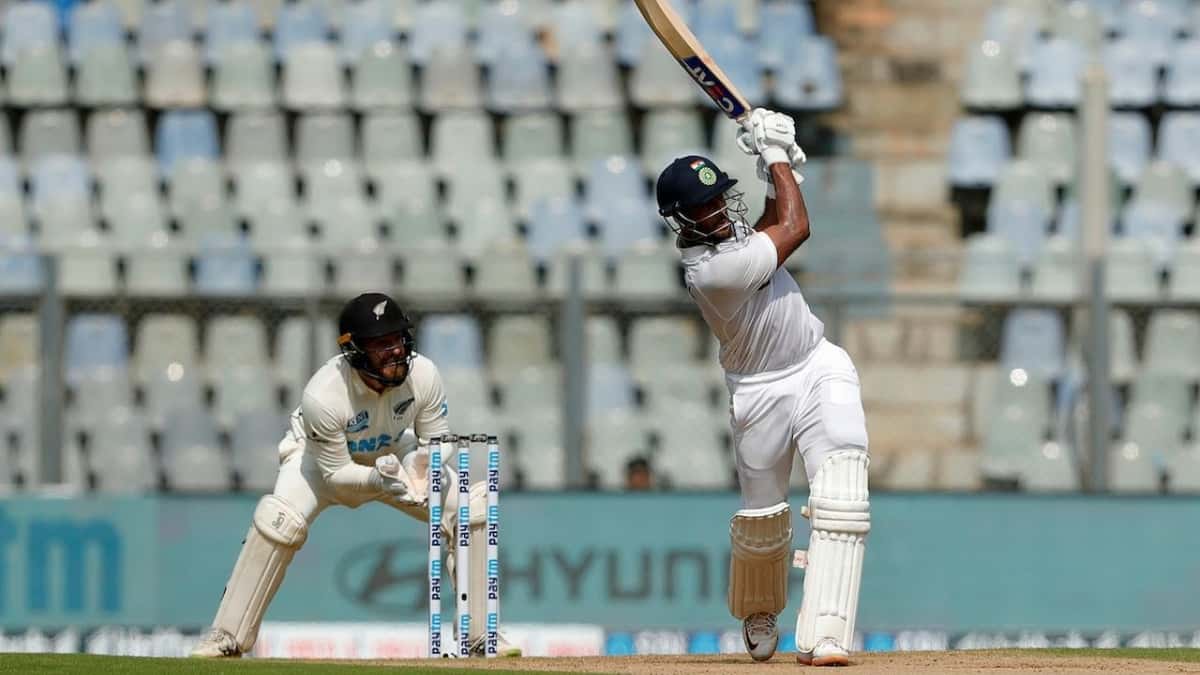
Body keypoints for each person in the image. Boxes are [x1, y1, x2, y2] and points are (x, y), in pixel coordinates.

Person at [190, 292, 521, 658]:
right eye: (381, 344)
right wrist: (379, 481)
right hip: (319, 462)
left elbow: (439, 440)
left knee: (470, 508)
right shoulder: (323, 395)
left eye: (398, 339)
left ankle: (480, 637)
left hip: (393, 452)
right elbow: (336, 477)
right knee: (278, 521)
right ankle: (227, 636)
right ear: (355, 351)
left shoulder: (423, 374)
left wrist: (422, 464)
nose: (395, 351)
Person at [654, 109, 870, 666]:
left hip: (818, 364)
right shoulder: (710, 272)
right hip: (759, 392)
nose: (720, 210)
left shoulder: (733, 244)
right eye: (704, 207)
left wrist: (775, 169)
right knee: (764, 521)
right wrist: (776, 158)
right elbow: (796, 228)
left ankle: (827, 634)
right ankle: (759, 609)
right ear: (682, 222)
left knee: (843, 490)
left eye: (720, 197)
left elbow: (774, 222)